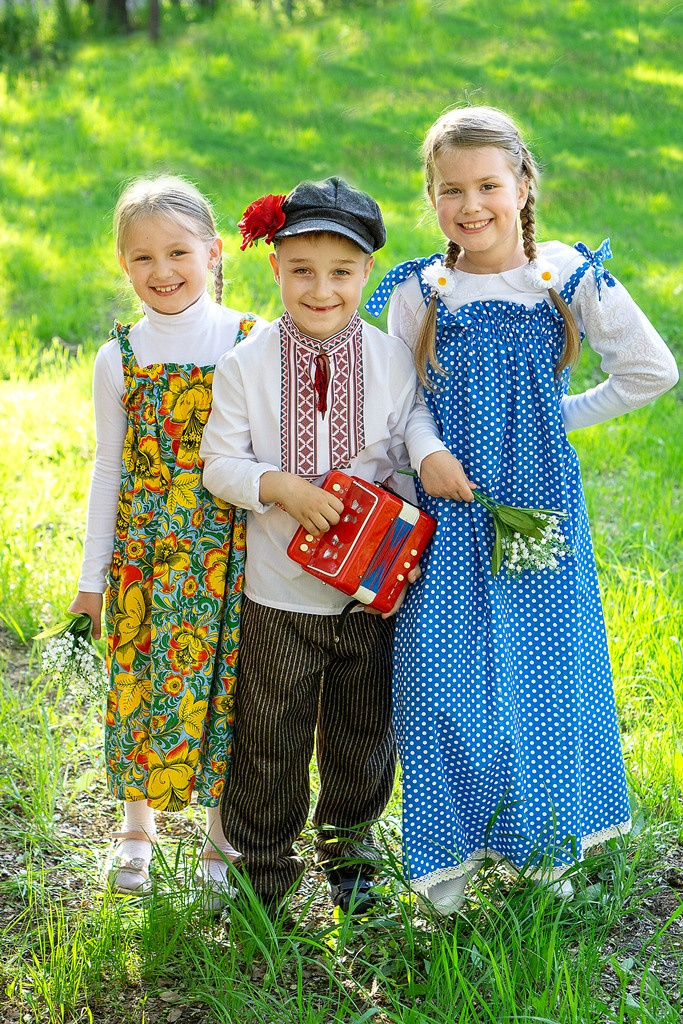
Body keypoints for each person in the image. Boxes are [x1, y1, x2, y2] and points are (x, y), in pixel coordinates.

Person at [364, 105, 678, 915]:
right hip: (443, 511)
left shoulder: (563, 276)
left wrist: (551, 419)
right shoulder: (418, 290)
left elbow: (650, 370)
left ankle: (543, 846)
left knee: (543, 670)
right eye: (450, 189)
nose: (471, 205)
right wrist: (428, 450)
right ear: (429, 196)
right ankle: (449, 856)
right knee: (440, 676)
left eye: (488, 185)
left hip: (536, 510)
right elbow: (395, 401)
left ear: (523, 185)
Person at [200, 177, 439, 917]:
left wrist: (420, 468)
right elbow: (218, 464)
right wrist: (278, 486)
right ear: (273, 268)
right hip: (278, 593)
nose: (321, 288)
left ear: (367, 273)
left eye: (341, 272)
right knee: (269, 736)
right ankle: (261, 876)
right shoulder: (247, 362)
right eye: (301, 270)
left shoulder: (391, 358)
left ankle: (352, 865)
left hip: (370, 590)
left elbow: (408, 438)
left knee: (362, 734)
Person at [68, 175, 259, 902]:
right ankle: (135, 832)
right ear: (123, 266)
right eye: (141, 258)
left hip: (230, 549)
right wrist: (93, 577)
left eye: (178, 252)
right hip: (145, 556)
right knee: (144, 687)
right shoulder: (119, 357)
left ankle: (221, 839)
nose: (162, 272)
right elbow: (108, 467)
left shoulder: (248, 340)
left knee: (226, 689)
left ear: (213, 252)